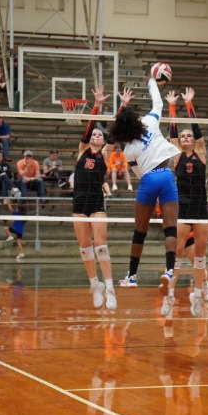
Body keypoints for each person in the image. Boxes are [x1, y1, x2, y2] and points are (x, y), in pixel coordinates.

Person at [108, 78, 180, 291]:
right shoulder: (150, 121)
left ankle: (132, 276)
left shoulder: (128, 150)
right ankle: (169, 271)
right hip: (167, 176)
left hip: (148, 179)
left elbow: (138, 173)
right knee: (170, 229)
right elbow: (158, 103)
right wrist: (151, 81)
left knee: (140, 231)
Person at [72, 85, 127, 310]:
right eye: (94, 134)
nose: (95, 136)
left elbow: (114, 134)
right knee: (85, 249)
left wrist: (122, 107)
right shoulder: (82, 150)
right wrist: (96, 105)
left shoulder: (105, 153)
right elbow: (87, 130)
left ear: (103, 140)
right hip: (79, 203)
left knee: (101, 247)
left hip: (96, 202)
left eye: (99, 135)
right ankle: (95, 285)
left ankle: (110, 288)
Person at [163, 87, 208, 318]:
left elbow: (198, 132)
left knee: (200, 257)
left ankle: (198, 295)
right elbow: (172, 133)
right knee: (177, 255)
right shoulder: (177, 156)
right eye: (183, 136)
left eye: (188, 136)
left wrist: (189, 103)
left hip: (200, 209)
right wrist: (172, 106)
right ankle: (169, 296)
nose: (185, 138)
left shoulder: (201, 153)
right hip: (182, 208)